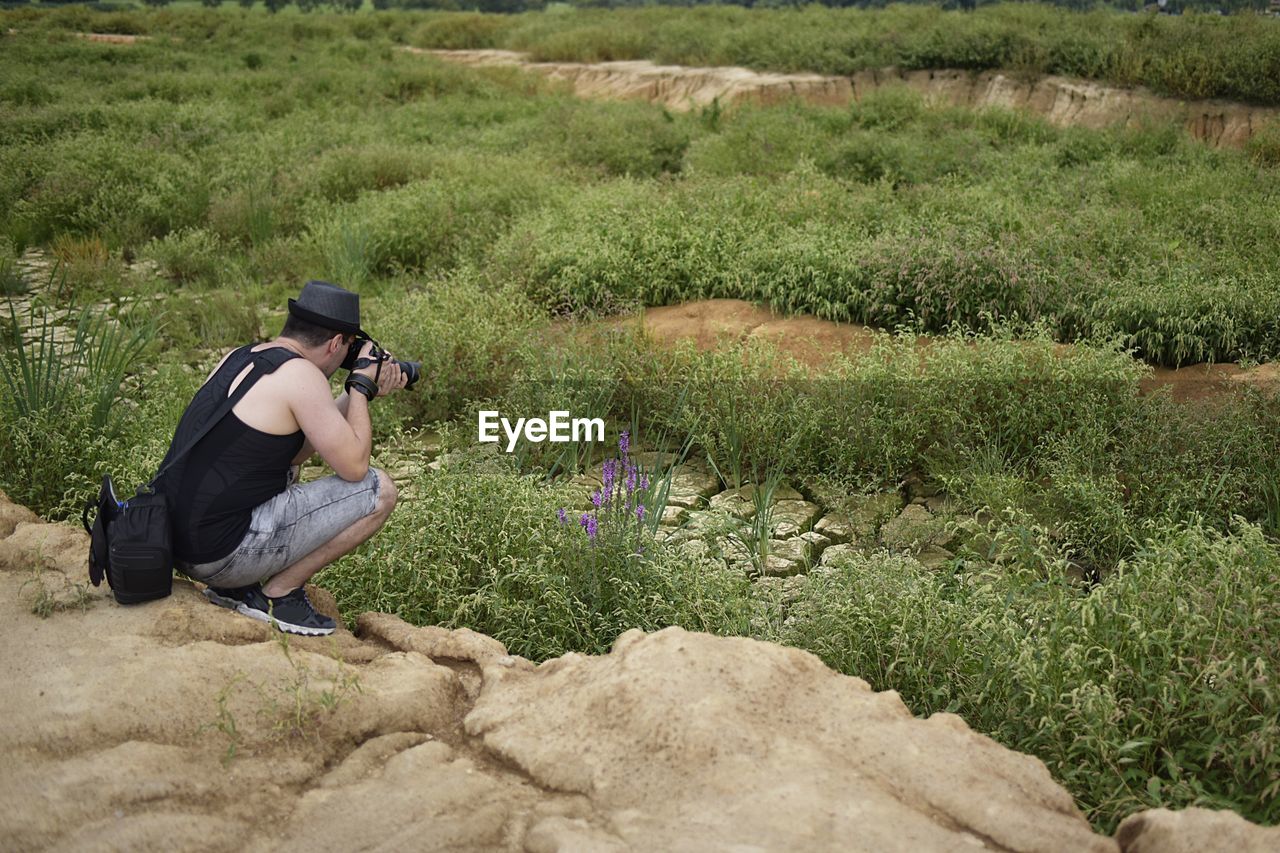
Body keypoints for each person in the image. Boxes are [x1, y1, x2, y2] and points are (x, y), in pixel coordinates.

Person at [154, 280, 407, 635]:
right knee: (380, 491)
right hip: (221, 556)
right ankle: (279, 594)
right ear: (336, 343)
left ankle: (237, 587)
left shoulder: (245, 356)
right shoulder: (302, 375)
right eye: (349, 349)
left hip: (178, 543)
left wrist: (358, 389)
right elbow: (355, 467)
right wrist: (361, 388)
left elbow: (301, 447)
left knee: (289, 466)